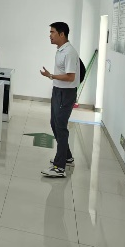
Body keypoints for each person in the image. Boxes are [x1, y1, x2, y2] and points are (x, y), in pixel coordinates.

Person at [39, 22, 80, 178]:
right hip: (58, 91)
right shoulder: (60, 50)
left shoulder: (69, 52)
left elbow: (70, 77)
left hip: (66, 93)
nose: (50, 35)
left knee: (61, 127)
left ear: (62, 34)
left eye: (52, 32)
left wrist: (51, 76)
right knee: (54, 123)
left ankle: (59, 167)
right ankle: (67, 156)